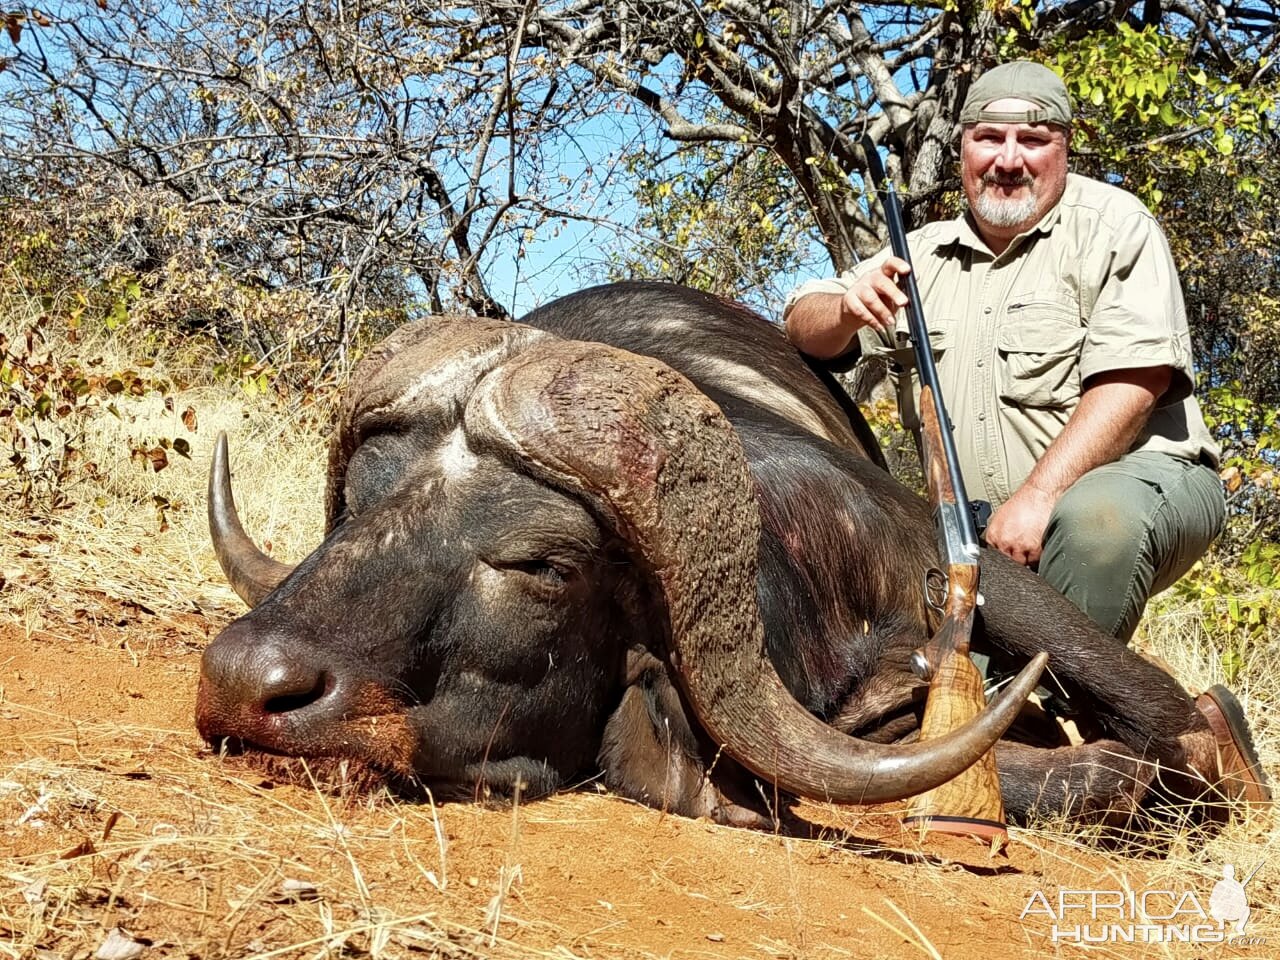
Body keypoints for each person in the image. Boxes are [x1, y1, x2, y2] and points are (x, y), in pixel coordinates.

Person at [784, 60, 1225, 644]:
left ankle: (1063, 719)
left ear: (1066, 147)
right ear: (963, 149)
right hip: (981, 530)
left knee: (1096, 525)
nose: (1009, 160)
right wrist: (844, 309)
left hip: (1144, 484)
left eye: (1034, 140)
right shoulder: (918, 256)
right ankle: (1182, 730)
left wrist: (1042, 497)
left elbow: (1133, 384)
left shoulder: (1116, 226)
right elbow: (800, 320)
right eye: (989, 138)